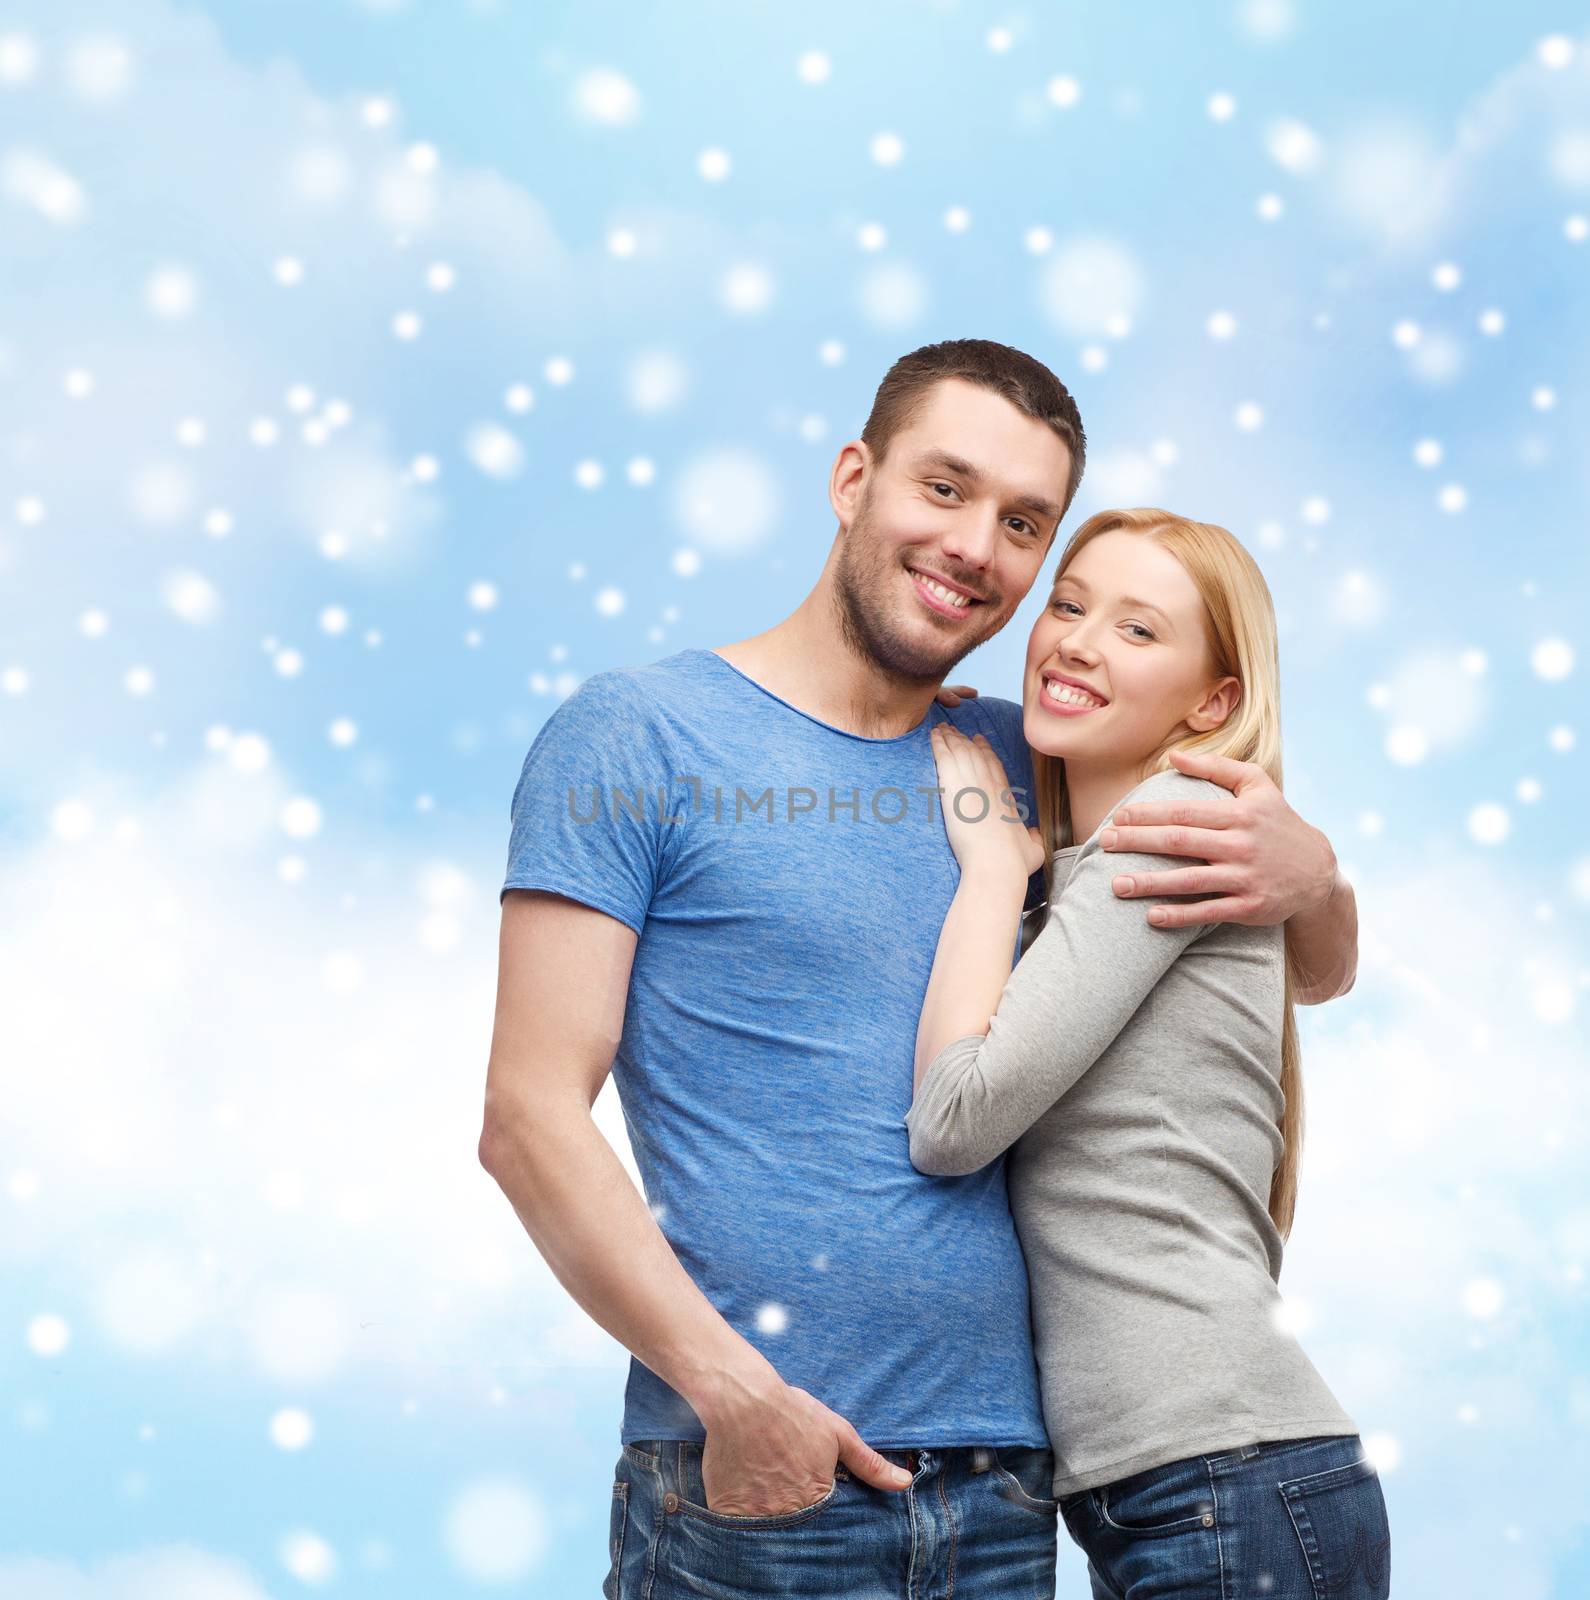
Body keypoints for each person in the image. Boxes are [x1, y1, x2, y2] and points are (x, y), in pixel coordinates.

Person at [478, 340, 1360, 1599]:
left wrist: (1314, 873)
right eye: (942, 488)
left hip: (1012, 1491)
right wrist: (736, 1395)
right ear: (854, 479)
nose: (975, 548)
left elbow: (1303, 971)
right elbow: (526, 1116)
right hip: (765, 1480)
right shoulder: (639, 734)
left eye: (1021, 523)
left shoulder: (1038, 756)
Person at [905, 506, 1391, 1598]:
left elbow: (951, 1125)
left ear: (1213, 702)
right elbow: (1317, 970)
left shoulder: (1167, 831)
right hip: (1198, 1484)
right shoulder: (1119, 850)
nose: (1075, 640)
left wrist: (991, 871)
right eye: (1069, 606)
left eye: (1137, 630)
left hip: (1222, 1480)